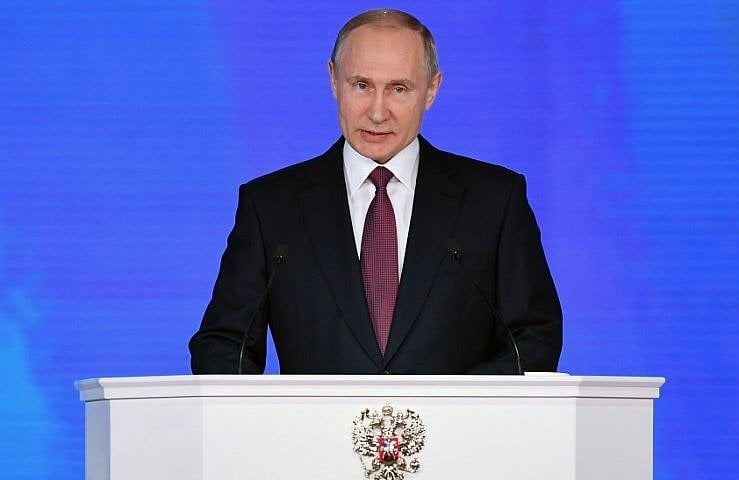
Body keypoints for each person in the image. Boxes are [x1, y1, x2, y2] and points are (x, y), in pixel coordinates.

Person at [189, 9, 562, 375]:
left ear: (432, 89)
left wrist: (448, 412)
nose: (378, 112)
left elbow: (533, 339)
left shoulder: (494, 200)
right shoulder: (270, 206)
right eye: (362, 85)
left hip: (457, 435)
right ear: (334, 80)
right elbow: (224, 345)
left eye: (399, 89)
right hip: (311, 435)